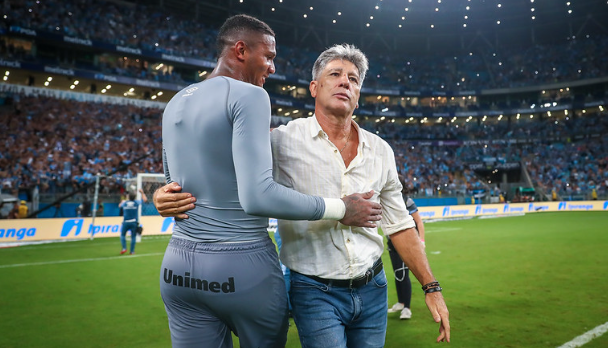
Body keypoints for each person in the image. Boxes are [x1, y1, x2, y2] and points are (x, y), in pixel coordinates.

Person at [156, 43, 451, 346]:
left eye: (353, 79)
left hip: (374, 287)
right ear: (314, 87)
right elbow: (215, 164)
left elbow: (400, 224)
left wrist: (431, 287)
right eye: (335, 74)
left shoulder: (381, 150)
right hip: (314, 291)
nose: (344, 82)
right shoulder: (282, 141)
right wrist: (164, 192)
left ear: (359, 96)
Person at [387, 176, 426, 320]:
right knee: (398, 274)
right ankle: (401, 302)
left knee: (404, 275)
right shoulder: (388, 200)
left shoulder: (407, 201)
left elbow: (418, 222)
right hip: (392, 243)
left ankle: (407, 308)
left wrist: (421, 240)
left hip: (407, 243)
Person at [119, 188, 147, 255]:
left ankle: (124, 248)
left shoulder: (125, 203)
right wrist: (142, 192)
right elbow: (145, 200)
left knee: (122, 235)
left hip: (126, 222)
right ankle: (132, 251)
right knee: (133, 237)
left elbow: (119, 206)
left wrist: (123, 201)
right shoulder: (136, 202)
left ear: (128, 196)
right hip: (134, 222)